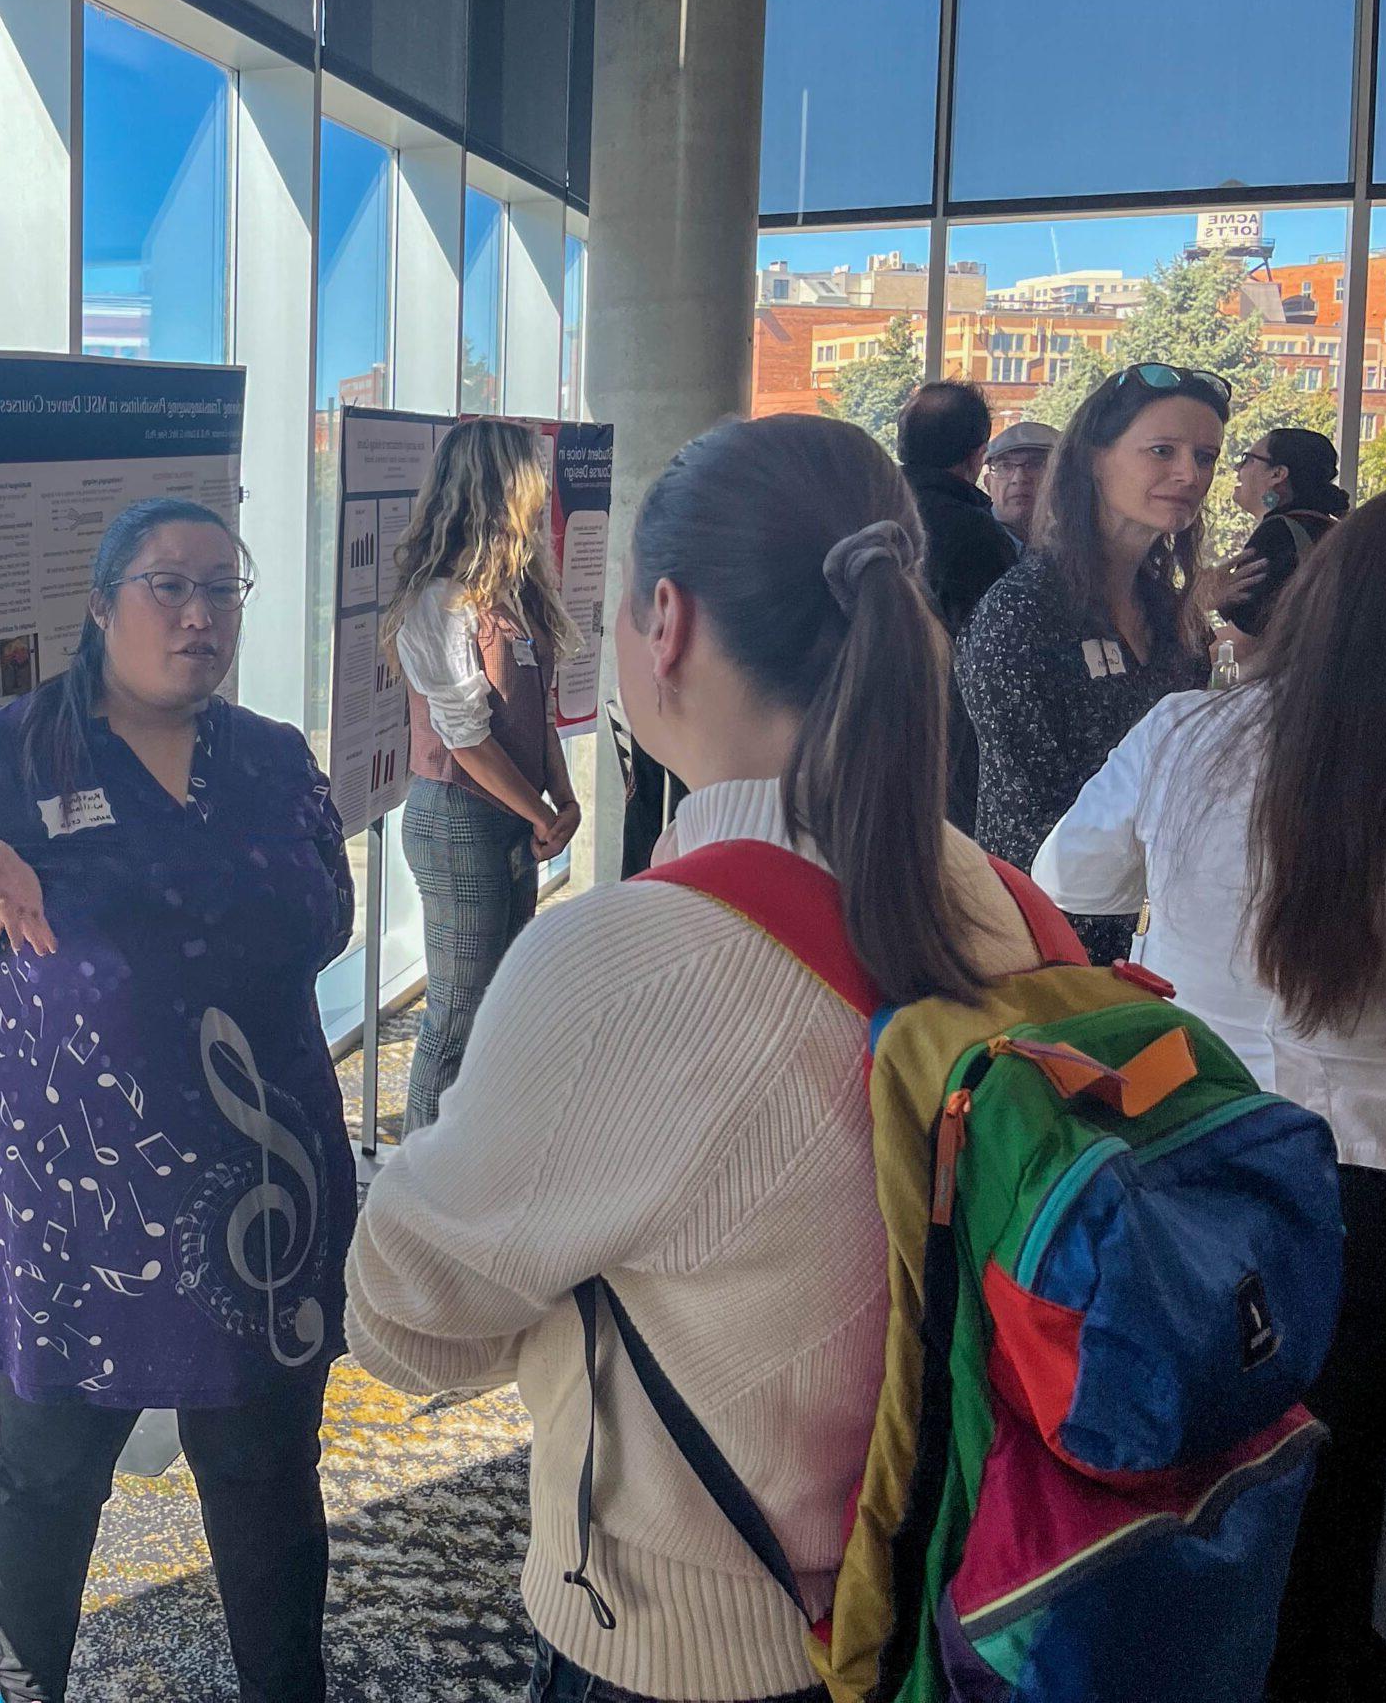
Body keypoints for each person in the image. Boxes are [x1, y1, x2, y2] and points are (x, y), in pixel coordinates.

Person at [347, 414, 1070, 1703]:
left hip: (693, 1643)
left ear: (664, 621)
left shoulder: (629, 964)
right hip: (956, 1598)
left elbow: (404, 1323)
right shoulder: (1000, 899)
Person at [0, 498, 354, 1703]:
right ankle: (22, 1682)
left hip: (264, 1186)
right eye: (167, 587)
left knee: (263, 1468)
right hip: (78, 1193)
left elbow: (332, 917)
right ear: (101, 606)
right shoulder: (7, 756)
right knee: (48, 1470)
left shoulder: (274, 758)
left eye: (222, 589)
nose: (199, 615)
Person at [1032, 487, 1386, 1702]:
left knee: (1190, 1472)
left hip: (1190, 1162)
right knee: (1335, 1502)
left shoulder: (1186, 731)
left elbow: (1065, 869)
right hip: (1377, 1182)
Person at [956, 363, 1222, 963]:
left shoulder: (1170, 615)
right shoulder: (1023, 614)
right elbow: (1029, 820)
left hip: (1154, 944)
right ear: (1094, 459)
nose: (1188, 475)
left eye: (1204, 457)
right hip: (1042, 948)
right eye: (1162, 451)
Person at [383, 418, 583, 1133]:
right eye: (532, 477)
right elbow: (464, 738)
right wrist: (540, 813)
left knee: (495, 1006)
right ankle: (416, 1185)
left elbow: (535, 714)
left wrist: (562, 800)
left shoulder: (515, 595)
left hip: (508, 813)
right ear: (499, 488)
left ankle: (468, 1164)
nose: (542, 492)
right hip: (457, 820)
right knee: (459, 1014)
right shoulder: (438, 601)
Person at [897, 381, 1019, 830]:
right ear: (978, 456)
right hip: (946, 754)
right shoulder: (977, 536)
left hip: (855, 736)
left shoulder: (858, 513)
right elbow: (998, 657)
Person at [1218, 426, 1349, 652]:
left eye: (1247, 459)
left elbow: (1243, 643)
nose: (1237, 468)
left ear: (1277, 474)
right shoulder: (1329, 528)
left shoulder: (1277, 536)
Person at [980, 418, 1060, 547]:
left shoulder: (1080, 544)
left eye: (1035, 464)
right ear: (988, 483)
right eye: (1005, 466)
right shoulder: (969, 541)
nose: (1019, 478)